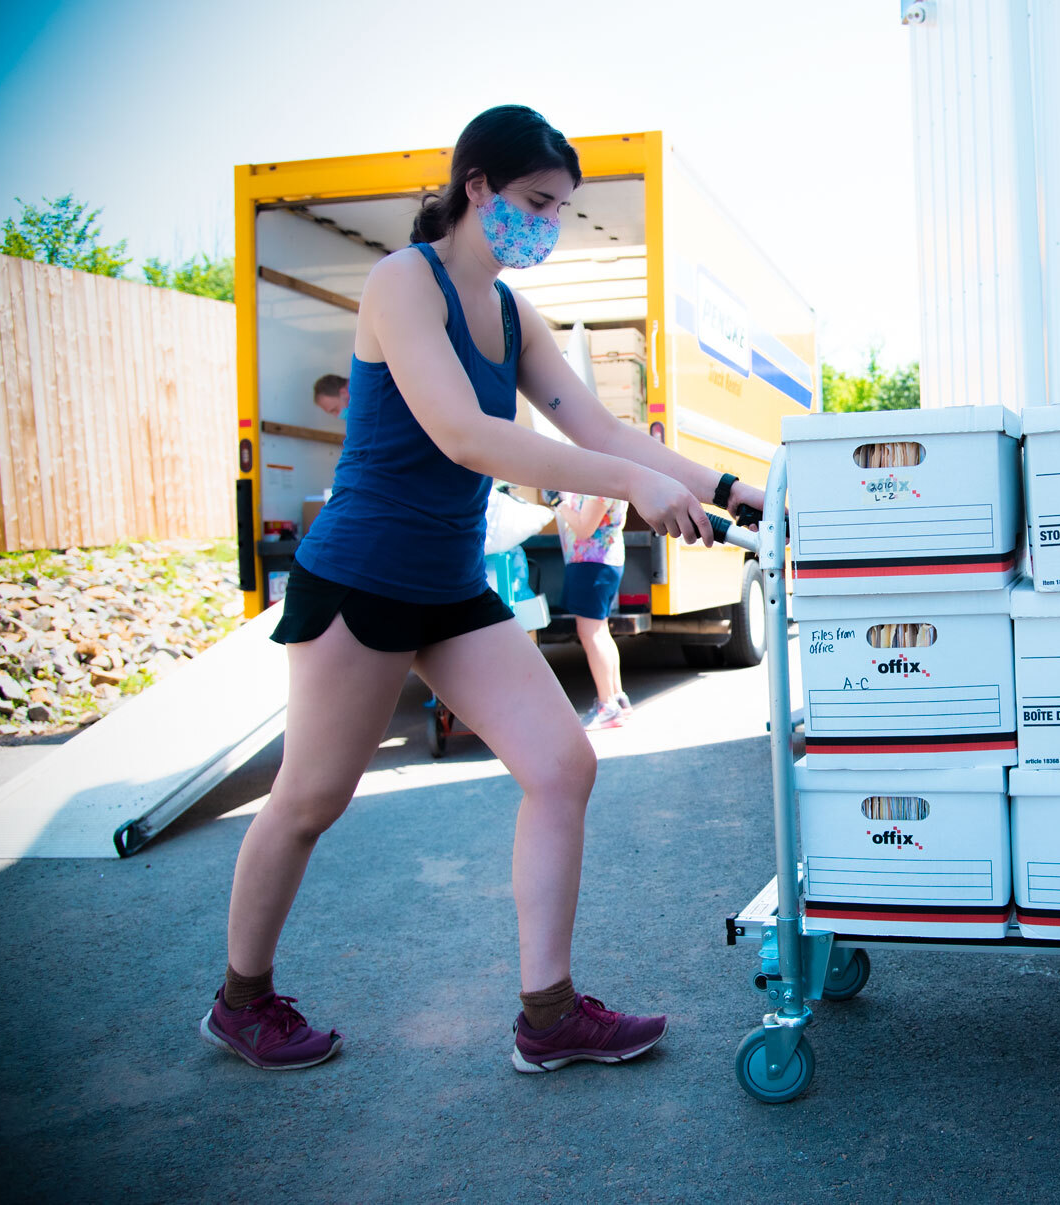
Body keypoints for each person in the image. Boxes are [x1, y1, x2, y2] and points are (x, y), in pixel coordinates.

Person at [200, 104, 764, 1075]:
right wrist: (629, 487)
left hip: (451, 584)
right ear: (477, 189)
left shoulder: (511, 311)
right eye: (536, 204)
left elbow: (598, 425)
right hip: (361, 580)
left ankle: (547, 1013)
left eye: (559, 210)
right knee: (311, 798)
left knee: (562, 764)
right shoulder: (400, 283)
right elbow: (464, 432)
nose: (547, 226)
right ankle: (239, 1000)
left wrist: (732, 489)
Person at [554, 490, 632, 728]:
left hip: (592, 563)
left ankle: (607, 705)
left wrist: (559, 503)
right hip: (601, 561)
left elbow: (584, 528)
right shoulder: (609, 480)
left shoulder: (599, 485)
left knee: (591, 633)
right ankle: (617, 698)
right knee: (600, 631)